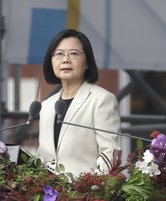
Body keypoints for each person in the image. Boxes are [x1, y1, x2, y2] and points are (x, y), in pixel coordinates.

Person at [37, 29, 121, 177]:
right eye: (59, 54)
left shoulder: (101, 100)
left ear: (87, 62)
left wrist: (88, 188)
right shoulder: (46, 106)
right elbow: (43, 158)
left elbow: (110, 155)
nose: (65, 59)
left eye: (74, 53)